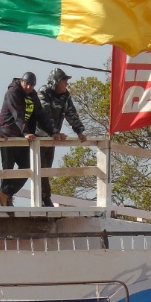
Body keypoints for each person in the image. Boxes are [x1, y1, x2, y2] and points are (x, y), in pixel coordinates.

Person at [0, 71, 64, 206]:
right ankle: (6, 199)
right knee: (8, 168)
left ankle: (6, 194)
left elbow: (41, 114)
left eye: (32, 85)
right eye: (27, 84)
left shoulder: (32, 95)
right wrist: (26, 132)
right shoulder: (12, 93)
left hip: (22, 136)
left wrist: (53, 132)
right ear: (21, 81)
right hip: (8, 134)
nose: (29, 87)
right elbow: (17, 114)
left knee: (28, 166)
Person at [37, 68, 87, 206]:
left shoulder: (66, 96)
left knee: (46, 170)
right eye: (64, 80)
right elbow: (44, 114)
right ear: (55, 82)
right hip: (39, 137)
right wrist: (54, 132)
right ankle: (45, 199)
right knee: (41, 169)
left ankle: (44, 199)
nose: (67, 83)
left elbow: (72, 114)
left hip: (53, 139)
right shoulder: (44, 92)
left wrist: (80, 131)